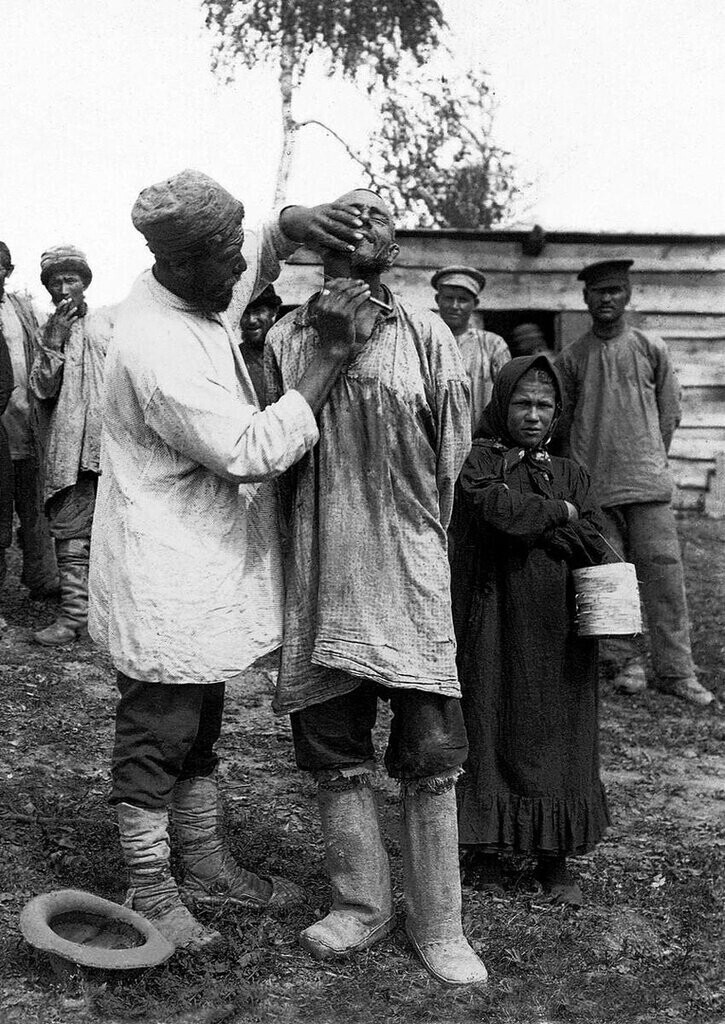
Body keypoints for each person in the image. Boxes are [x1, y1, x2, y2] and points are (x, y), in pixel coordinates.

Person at [88, 168, 372, 952]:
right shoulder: (152, 345)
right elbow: (250, 451)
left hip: (201, 556)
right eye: (225, 267)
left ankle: (205, 860)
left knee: (201, 713)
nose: (241, 277)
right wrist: (328, 358)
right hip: (162, 563)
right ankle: (149, 885)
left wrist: (299, 219)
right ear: (175, 265)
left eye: (236, 258)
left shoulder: (204, 274)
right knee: (160, 725)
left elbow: (261, 243)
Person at [266, 189, 487, 987]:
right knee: (331, 738)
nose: (362, 225)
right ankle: (360, 906)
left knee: (430, 745)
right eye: (346, 212)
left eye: (380, 216)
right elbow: (270, 452)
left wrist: (410, 535)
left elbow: (450, 463)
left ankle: (441, 924)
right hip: (322, 566)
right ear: (318, 239)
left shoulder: (429, 336)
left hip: (406, 567)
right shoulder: (286, 337)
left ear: (395, 250)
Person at [451, 355, 610, 907]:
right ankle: (489, 850)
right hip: (495, 619)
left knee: (559, 727)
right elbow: (493, 509)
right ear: (501, 405)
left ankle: (553, 855)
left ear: (559, 413)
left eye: (545, 405)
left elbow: (591, 534)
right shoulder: (479, 461)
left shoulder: (572, 474)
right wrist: (559, 515)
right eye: (523, 403)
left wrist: (548, 517)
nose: (534, 415)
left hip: (560, 630)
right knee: (493, 717)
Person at [556, 260, 713, 706]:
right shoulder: (572, 358)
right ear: (585, 299)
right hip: (595, 488)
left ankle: (677, 671)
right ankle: (624, 665)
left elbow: (670, 412)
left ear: (628, 295)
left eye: (615, 291)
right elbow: (563, 426)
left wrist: (647, 456)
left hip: (646, 484)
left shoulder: (650, 346)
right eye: (598, 292)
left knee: (664, 575)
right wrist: (579, 477)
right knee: (611, 578)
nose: (606, 299)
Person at [29, 246, 111, 645]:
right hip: (67, 446)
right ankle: (72, 617)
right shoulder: (47, 330)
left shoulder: (107, 325)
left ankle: (103, 619)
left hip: (107, 446)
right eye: (56, 281)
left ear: (85, 283)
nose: (64, 288)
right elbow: (41, 389)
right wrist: (54, 342)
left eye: (71, 279)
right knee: (70, 532)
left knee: (112, 532)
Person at [0, 242, 58, 599]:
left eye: (0, 266)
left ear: (9, 270)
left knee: (34, 506)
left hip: (26, 423)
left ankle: (41, 580)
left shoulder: (22, 309)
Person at [432, 264, 509, 434]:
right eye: (448, 298)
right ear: (438, 300)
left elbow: (507, 398)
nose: (454, 305)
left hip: (480, 443)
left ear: (475, 303)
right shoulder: (425, 342)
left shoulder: (493, 345)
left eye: (463, 299)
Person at [239, 283, 282, 407]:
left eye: (258, 311)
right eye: (245, 313)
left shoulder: (288, 353)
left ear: (273, 311)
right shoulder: (234, 358)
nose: (252, 319)